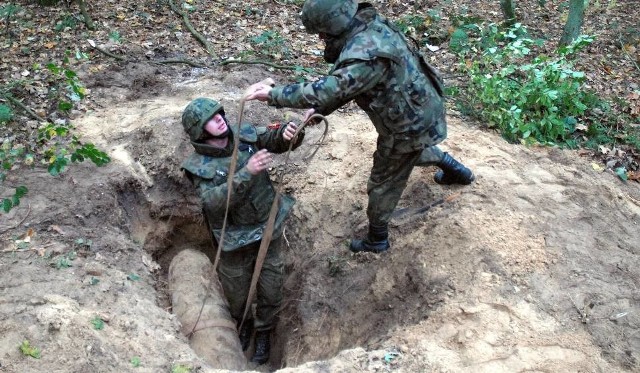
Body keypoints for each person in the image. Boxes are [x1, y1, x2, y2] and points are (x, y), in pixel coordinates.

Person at [245, 0, 474, 254]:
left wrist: (273, 94)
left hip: (407, 123)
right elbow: (351, 85)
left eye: (321, 32)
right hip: (422, 107)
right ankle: (457, 171)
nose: (321, 38)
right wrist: (320, 112)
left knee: (382, 181)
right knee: (409, 150)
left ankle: (377, 240)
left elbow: (332, 88)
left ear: (332, 25)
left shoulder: (364, 54)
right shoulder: (369, 27)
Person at [180, 97, 304, 365]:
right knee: (237, 293)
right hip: (233, 239)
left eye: (219, 114)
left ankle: (264, 331)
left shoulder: (245, 134)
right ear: (199, 130)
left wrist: (289, 133)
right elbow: (212, 203)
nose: (219, 119)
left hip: (267, 226)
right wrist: (247, 172)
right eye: (211, 119)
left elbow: (275, 140)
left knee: (271, 289)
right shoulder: (199, 166)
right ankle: (244, 323)